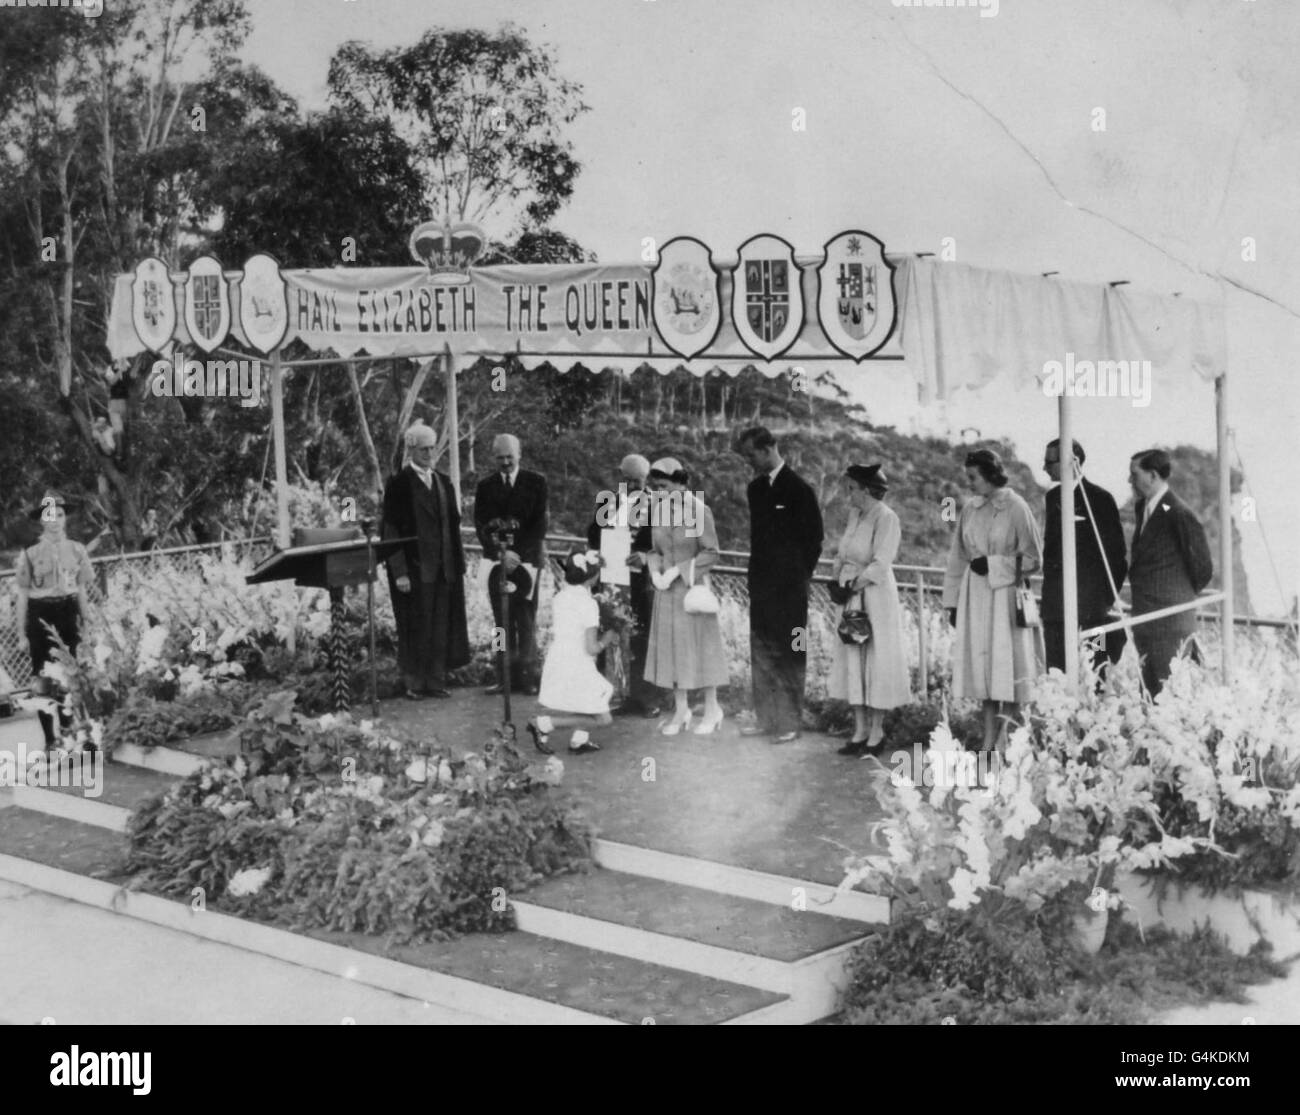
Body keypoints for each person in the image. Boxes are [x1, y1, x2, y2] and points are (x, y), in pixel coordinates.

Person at [943, 449, 1045, 751]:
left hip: (1005, 599)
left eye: (973, 477)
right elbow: (957, 557)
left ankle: (1005, 743)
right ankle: (988, 742)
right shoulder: (970, 509)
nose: (970, 483)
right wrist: (952, 603)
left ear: (989, 475)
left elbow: (1033, 559)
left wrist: (995, 564)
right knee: (985, 676)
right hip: (976, 598)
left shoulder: (1016, 507)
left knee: (1008, 673)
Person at [735, 426, 824, 744]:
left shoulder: (800, 489)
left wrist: (796, 578)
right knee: (761, 653)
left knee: (792, 653)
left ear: (769, 448)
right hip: (761, 589)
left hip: (790, 593)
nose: (749, 461)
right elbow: (758, 540)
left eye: (751, 454)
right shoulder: (755, 489)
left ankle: (789, 722)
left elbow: (814, 541)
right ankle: (766, 720)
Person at [381, 422, 470, 699]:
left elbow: (453, 528)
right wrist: (399, 572)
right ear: (411, 450)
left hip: (444, 569)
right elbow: (390, 530)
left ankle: (435, 680)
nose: (429, 453)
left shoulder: (443, 482)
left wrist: (459, 565)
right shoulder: (398, 484)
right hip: (415, 570)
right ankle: (414, 682)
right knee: (415, 625)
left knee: (441, 625)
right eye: (423, 449)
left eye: (432, 448)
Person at [828, 465, 910, 756]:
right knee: (853, 655)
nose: (848, 494)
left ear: (865, 489)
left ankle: (877, 731)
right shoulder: (854, 515)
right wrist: (836, 579)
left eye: (852, 488)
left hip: (874, 596)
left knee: (876, 657)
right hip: (850, 592)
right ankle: (859, 730)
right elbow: (843, 552)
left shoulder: (886, 518)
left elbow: (881, 561)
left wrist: (853, 584)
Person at [643, 458, 727, 735]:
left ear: (680, 483)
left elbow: (711, 552)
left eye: (664, 486)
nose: (660, 492)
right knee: (671, 651)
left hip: (692, 591)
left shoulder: (698, 510)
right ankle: (681, 710)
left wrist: (678, 572)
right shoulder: (659, 510)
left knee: (700, 649)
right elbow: (654, 550)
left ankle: (712, 709)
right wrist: (655, 571)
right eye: (655, 488)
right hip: (667, 592)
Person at [1127, 448, 1213, 697]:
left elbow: (1203, 568)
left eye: (1134, 474)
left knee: (1172, 701)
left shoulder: (1178, 512)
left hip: (1170, 624)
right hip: (1146, 622)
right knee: (1150, 697)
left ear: (1153, 476)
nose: (1129, 480)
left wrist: (1176, 597)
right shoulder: (1145, 507)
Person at [1041, 439, 1128, 681]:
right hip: (1056, 610)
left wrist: (1104, 601)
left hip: (1094, 613)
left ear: (1072, 462)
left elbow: (1116, 557)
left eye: (1050, 462)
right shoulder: (1053, 498)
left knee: (1096, 672)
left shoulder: (1100, 499)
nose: (1044, 468)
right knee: (1057, 675)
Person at [14, 492, 94, 752]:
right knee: (43, 679)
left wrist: (88, 626)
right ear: (42, 521)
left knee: (74, 676)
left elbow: (82, 591)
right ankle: (51, 739)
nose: (55, 521)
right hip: (41, 614)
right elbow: (23, 596)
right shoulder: (29, 553)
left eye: (60, 515)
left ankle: (74, 733)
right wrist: (21, 634)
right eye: (50, 516)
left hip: (68, 613)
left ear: (65, 518)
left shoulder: (77, 550)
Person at [586, 453, 661, 718]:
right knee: (611, 636)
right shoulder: (609, 501)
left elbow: (667, 548)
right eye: (627, 480)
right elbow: (593, 536)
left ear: (646, 479)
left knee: (642, 639)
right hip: (612, 582)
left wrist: (646, 556)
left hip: (642, 584)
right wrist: (599, 554)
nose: (631, 486)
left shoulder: (658, 505)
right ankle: (612, 693)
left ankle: (645, 698)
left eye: (637, 481)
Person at [474, 433, 548, 696]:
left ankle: (528, 677)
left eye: (509, 456)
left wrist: (517, 554)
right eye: (500, 457)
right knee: (501, 623)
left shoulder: (536, 483)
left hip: (527, 562)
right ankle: (503, 676)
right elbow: (481, 525)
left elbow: (539, 525)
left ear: (519, 455)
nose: (505, 462)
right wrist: (500, 553)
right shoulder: (485, 486)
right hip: (498, 562)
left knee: (526, 620)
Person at [528, 551, 616, 755]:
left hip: (559, 658)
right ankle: (543, 724)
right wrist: (607, 638)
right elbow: (591, 648)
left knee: (591, 700)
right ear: (593, 577)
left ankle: (579, 740)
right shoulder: (589, 604)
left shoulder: (560, 597)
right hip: (578, 664)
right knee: (603, 718)